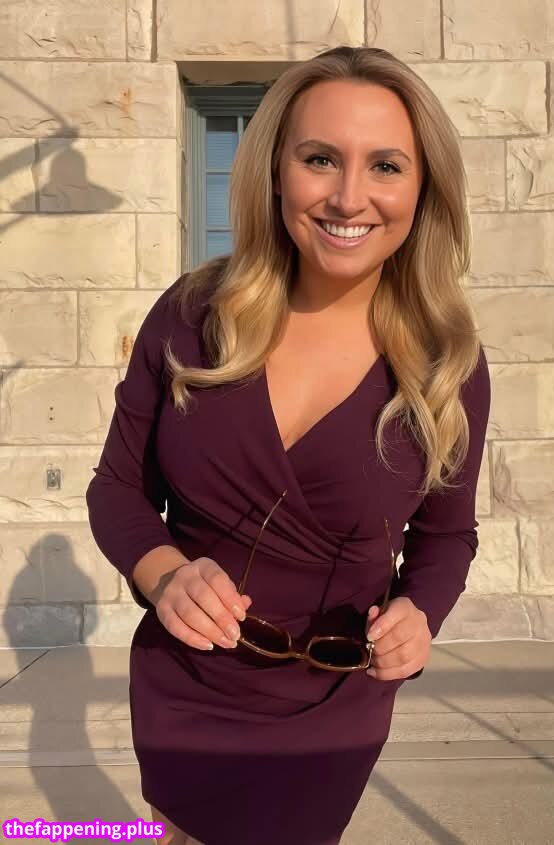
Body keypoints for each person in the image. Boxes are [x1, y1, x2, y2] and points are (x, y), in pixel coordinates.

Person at [86, 44, 491, 845]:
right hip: (184, 683)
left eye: (385, 166)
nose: (348, 196)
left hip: (331, 706)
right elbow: (117, 488)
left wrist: (420, 614)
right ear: (275, 171)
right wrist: (165, 575)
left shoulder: (446, 365)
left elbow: (446, 535)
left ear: (423, 190)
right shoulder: (191, 316)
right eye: (319, 159)